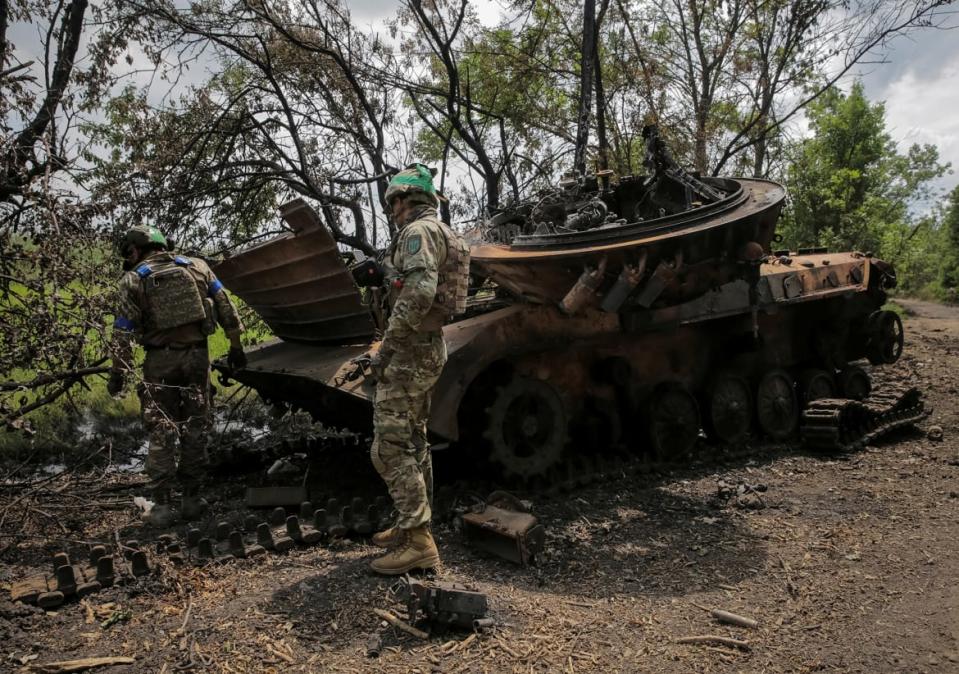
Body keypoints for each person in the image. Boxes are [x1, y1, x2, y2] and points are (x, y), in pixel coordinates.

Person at [367, 164, 470, 575]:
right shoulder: (443, 231)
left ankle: (419, 540)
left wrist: (386, 348)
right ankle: (412, 527)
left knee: (389, 446)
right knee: (414, 438)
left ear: (407, 199)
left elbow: (420, 291)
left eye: (394, 202)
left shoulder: (417, 233)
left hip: (410, 350)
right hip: (429, 345)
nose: (393, 210)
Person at [107, 225, 247, 528]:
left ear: (134, 250)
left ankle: (161, 507)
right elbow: (227, 309)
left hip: (159, 361)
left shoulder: (133, 279)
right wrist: (236, 348)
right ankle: (192, 500)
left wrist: (118, 372)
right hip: (198, 357)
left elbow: (122, 333)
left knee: (162, 430)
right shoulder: (198, 266)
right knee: (196, 426)